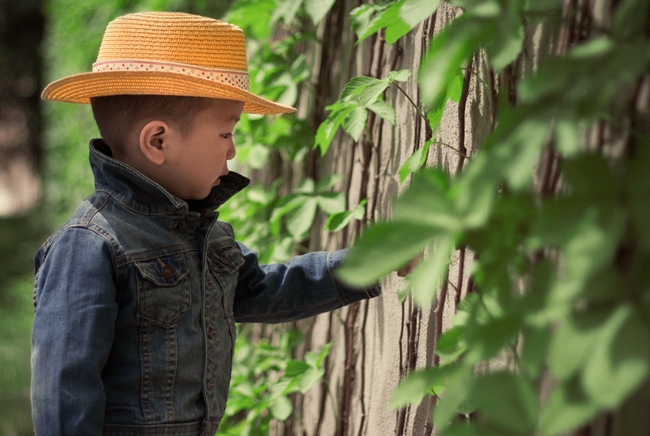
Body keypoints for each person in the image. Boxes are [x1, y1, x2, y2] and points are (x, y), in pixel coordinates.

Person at [31, 11, 389, 436]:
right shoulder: (89, 245)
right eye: (226, 133)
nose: (233, 151)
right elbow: (64, 397)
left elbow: (264, 290)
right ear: (158, 141)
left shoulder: (204, 232)